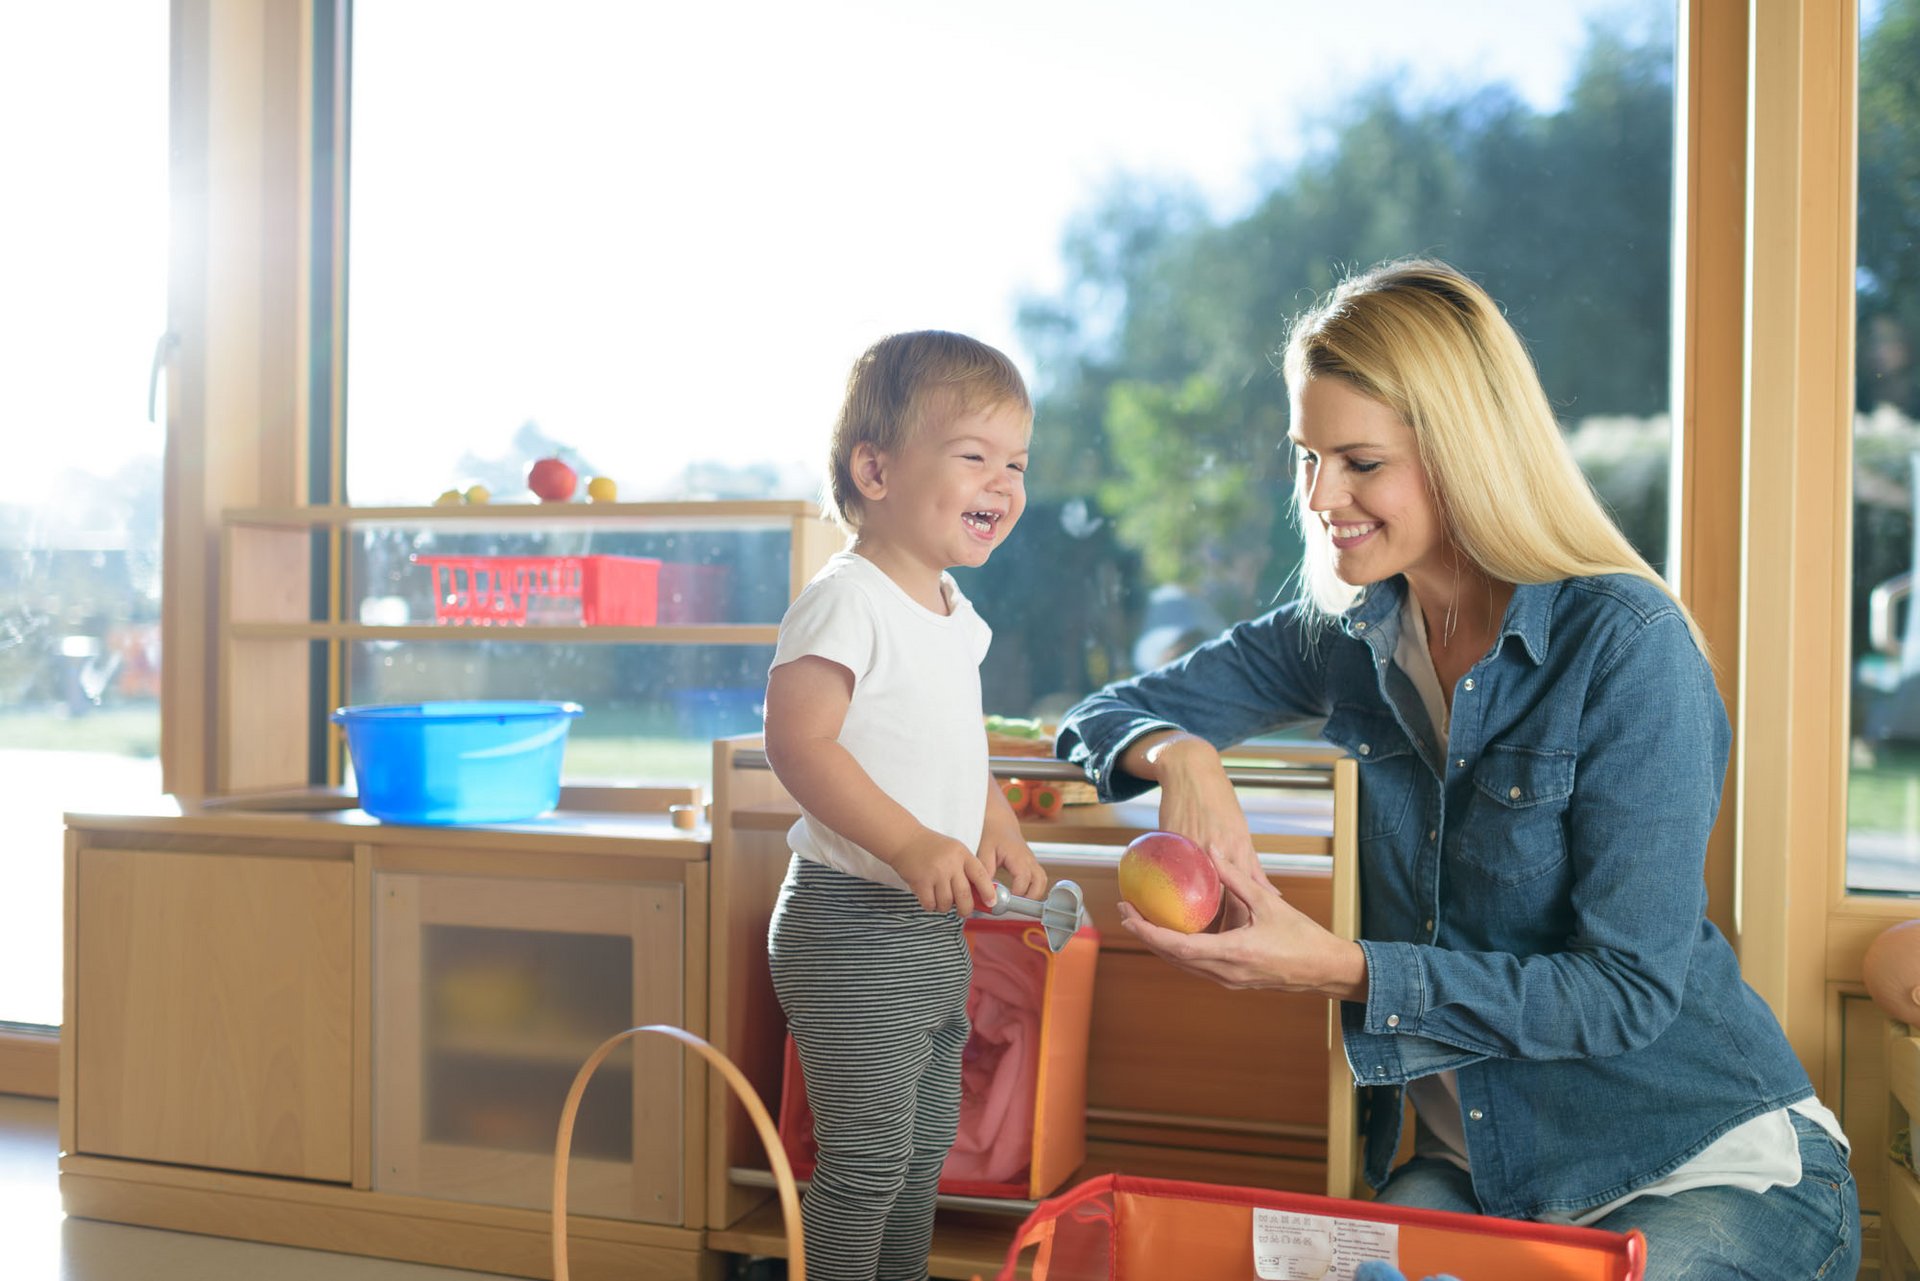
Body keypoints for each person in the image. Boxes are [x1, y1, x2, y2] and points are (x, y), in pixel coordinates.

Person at [1054, 260, 1861, 1279]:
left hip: (1700, 1165)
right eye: (1305, 456)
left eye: (1358, 462)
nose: (1318, 497)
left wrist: (1343, 969)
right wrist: (1182, 754)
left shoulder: (1626, 645)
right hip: (1476, 1175)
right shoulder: (1343, 635)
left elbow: (1623, 996)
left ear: (1462, 454)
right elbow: (1101, 715)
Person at [763, 329, 1048, 1281]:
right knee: (867, 1154)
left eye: (1016, 462)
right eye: (974, 455)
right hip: (849, 924)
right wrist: (912, 840)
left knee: (923, 1145)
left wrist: (993, 823)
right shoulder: (847, 597)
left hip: (926, 928)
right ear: (875, 469)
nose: (1001, 482)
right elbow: (799, 744)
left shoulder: (951, 613)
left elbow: (952, 749)